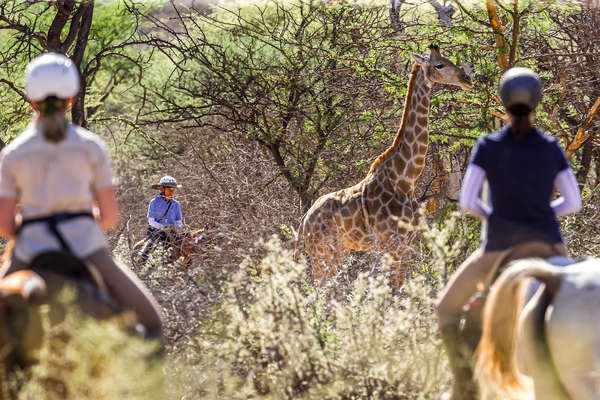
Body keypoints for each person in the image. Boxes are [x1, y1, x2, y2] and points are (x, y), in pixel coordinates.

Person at [436, 67, 582, 400]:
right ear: (537, 103)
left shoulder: (488, 146)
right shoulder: (551, 147)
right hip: (549, 244)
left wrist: (494, 218)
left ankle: (465, 386)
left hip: (500, 247)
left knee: (445, 309)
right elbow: (573, 202)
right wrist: (545, 213)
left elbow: (468, 201)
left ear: (503, 103)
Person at [0, 53, 163, 339]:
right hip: (86, 247)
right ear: (72, 98)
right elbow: (110, 218)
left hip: (29, 250)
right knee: (151, 324)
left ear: (31, 100)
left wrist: (30, 222)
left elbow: (5, 226)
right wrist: (82, 219)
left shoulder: (13, 153)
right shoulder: (91, 147)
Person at [137, 176, 183, 264]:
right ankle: (141, 264)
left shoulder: (176, 204)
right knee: (148, 248)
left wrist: (178, 227)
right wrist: (163, 228)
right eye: (169, 189)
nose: (172, 192)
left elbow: (179, 221)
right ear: (162, 189)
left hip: (172, 233)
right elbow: (151, 221)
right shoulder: (154, 202)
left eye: (173, 190)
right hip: (156, 233)